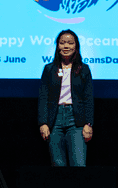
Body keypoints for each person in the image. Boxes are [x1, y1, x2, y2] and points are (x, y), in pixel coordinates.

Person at [38, 30, 94, 166]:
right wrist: (43, 123)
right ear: (57, 46)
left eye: (70, 43)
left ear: (76, 46)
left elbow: (88, 99)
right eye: (62, 43)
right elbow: (43, 97)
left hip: (76, 121)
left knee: (78, 165)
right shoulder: (49, 69)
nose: (66, 46)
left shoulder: (83, 69)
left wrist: (88, 124)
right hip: (54, 119)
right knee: (58, 166)